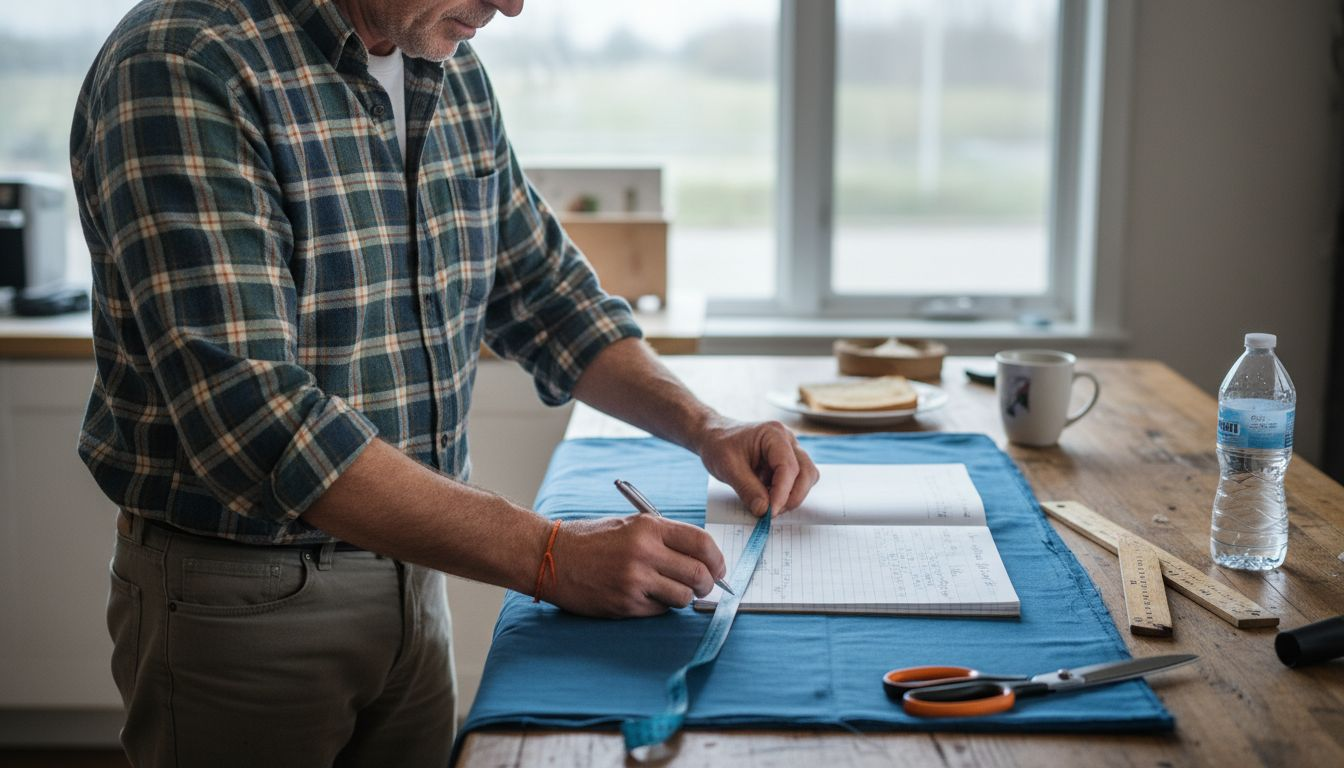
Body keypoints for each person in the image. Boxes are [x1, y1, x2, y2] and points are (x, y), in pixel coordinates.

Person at [70, 0, 818, 765]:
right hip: (246, 603)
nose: (513, 4)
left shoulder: (443, 62)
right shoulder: (184, 61)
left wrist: (706, 427)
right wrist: (550, 556)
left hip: (419, 577)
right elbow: (259, 418)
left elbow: (544, 294)